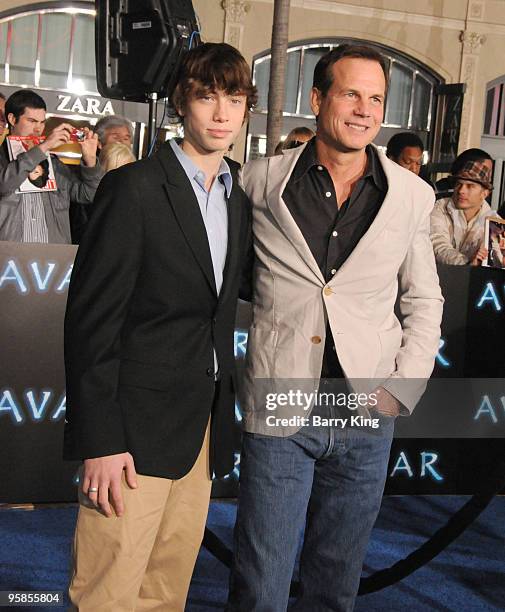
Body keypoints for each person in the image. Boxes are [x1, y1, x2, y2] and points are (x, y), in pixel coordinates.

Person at [227, 44, 443, 611]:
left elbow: (424, 298)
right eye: (351, 93)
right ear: (319, 98)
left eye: (376, 98)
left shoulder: (413, 195)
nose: (364, 110)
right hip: (281, 394)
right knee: (260, 578)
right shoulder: (259, 181)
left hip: (366, 404)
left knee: (336, 579)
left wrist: (404, 388)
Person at [64, 42, 256, 611]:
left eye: (235, 98)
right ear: (181, 102)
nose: (222, 113)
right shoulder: (136, 188)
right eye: (207, 97)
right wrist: (100, 440)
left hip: (199, 430)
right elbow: (91, 323)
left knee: (164, 594)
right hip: (130, 432)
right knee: (107, 592)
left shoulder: (238, 197)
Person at [0, 89, 102, 243]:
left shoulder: (53, 163)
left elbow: (87, 195)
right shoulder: (2, 158)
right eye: (32, 121)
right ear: (12, 119)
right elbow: (4, 185)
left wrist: (90, 160)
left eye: (42, 122)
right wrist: (44, 146)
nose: (38, 129)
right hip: (9, 258)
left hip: (52, 260)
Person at [430, 159, 495, 266]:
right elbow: (437, 244)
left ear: (484, 193)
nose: (461, 191)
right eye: (459, 184)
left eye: (470, 186)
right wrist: (467, 264)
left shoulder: (493, 224)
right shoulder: (440, 207)